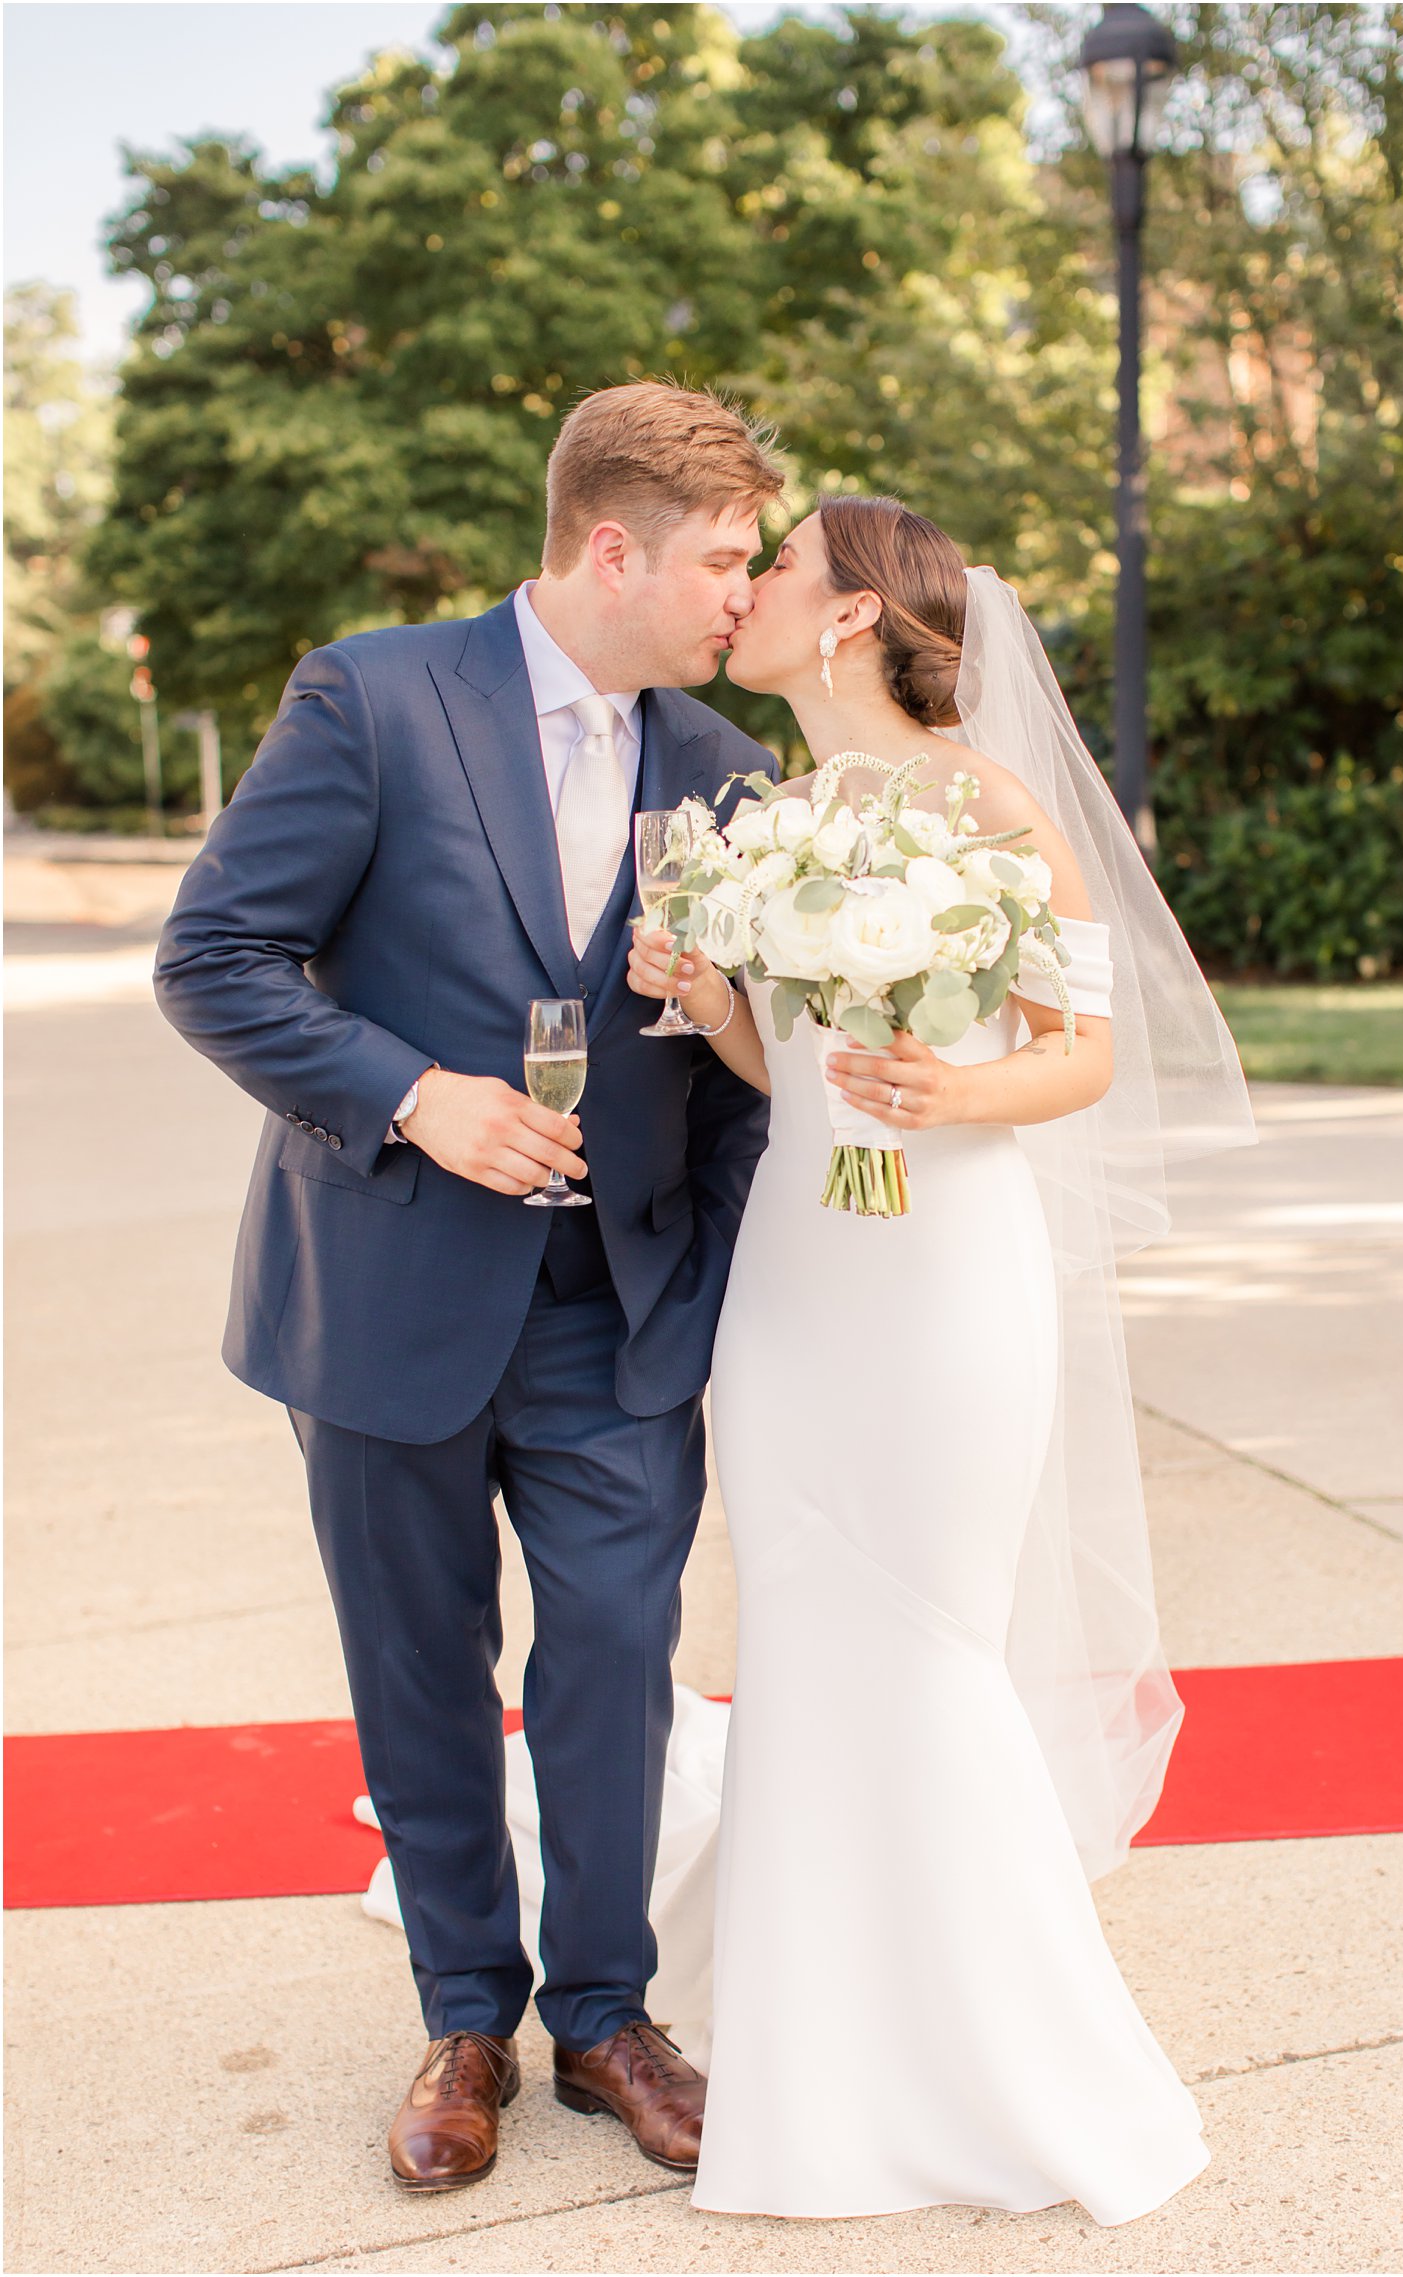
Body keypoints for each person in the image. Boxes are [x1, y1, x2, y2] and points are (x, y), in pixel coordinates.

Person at [154, 381, 785, 2193]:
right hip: (384, 1294)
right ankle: (461, 2017)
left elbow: (748, 1072)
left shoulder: (728, 775)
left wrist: (714, 1270)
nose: (743, 594)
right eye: (724, 561)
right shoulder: (373, 696)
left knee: (615, 1655)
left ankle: (605, 2013)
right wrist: (417, 1098)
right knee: (420, 1667)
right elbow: (215, 956)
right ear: (613, 547)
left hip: (620, 1309)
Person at [626, 495, 1256, 2225]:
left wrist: (953, 1091)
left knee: (926, 1631)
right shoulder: (773, 818)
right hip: (801, 1281)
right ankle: (806, 2029)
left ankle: (998, 2048)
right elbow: (788, 1078)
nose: (745, 598)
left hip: (949, 1273)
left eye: (779, 576)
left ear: (847, 622)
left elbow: (1082, 1054)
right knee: (808, 1619)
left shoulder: (989, 805)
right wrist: (716, 997)